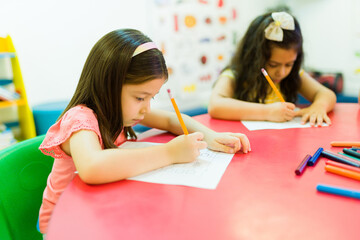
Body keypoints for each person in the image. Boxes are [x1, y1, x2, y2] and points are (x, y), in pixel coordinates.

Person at [38, 29, 251, 235]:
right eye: (140, 98)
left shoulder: (119, 111)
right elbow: (92, 167)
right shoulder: (81, 118)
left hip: (102, 210)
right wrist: (170, 154)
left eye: (152, 97)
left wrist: (212, 137)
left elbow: (170, 119)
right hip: (66, 225)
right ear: (108, 86)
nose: (146, 109)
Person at [208, 11, 336, 126]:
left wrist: (319, 106)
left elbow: (327, 94)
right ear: (254, 57)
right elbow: (215, 105)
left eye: (289, 64)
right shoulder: (234, 75)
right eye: (273, 65)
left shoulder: (294, 75)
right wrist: (267, 112)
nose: (282, 72)